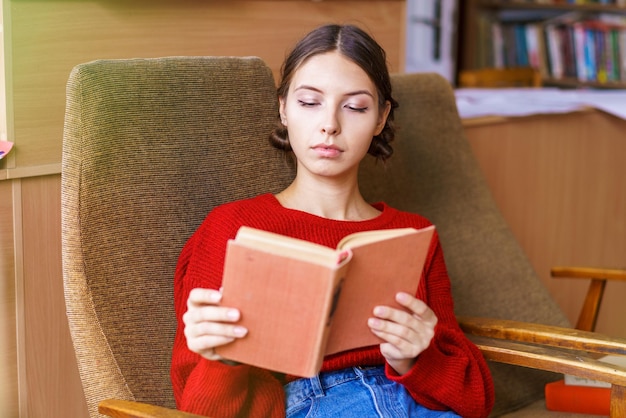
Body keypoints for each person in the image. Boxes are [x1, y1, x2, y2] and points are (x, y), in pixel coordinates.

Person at [171, 23, 495, 418]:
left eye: (355, 107)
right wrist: (223, 360)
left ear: (380, 118)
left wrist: (416, 357)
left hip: (415, 401)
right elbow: (196, 408)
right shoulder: (232, 227)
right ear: (283, 108)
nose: (330, 125)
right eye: (309, 102)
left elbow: (475, 400)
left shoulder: (410, 235)